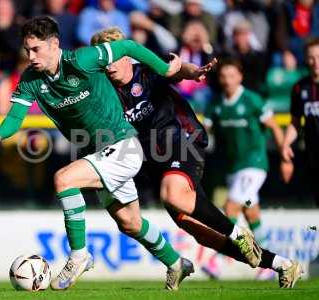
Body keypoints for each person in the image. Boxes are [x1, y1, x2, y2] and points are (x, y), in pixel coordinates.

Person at [0, 16, 194, 291]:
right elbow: (16, 115)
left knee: (64, 179)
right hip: (97, 153)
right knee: (130, 223)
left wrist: (164, 69)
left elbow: (128, 46)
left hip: (122, 146)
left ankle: (79, 255)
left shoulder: (83, 59)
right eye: (26, 50)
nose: (30, 56)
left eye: (36, 49)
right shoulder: (31, 79)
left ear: (54, 44)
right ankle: (177, 263)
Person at [91, 27, 303, 288]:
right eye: (103, 60)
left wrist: (195, 71)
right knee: (200, 231)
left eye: (113, 57)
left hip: (184, 140)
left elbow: (177, 68)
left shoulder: (146, 71)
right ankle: (282, 264)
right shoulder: (105, 91)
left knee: (173, 195)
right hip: (154, 160)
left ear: (126, 55)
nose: (108, 65)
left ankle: (238, 232)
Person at [204, 59, 285, 250]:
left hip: (254, 164)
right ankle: (269, 259)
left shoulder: (252, 100)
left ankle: (221, 257)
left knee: (230, 208)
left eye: (232, 76)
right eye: (223, 76)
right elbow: (204, 131)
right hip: (233, 166)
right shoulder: (215, 104)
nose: (227, 80)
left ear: (240, 77)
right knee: (251, 213)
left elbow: (274, 126)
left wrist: (285, 158)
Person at [281, 38, 319, 206]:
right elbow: (295, 122)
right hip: (314, 154)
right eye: (311, 57)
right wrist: (286, 144)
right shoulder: (299, 87)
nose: (315, 62)